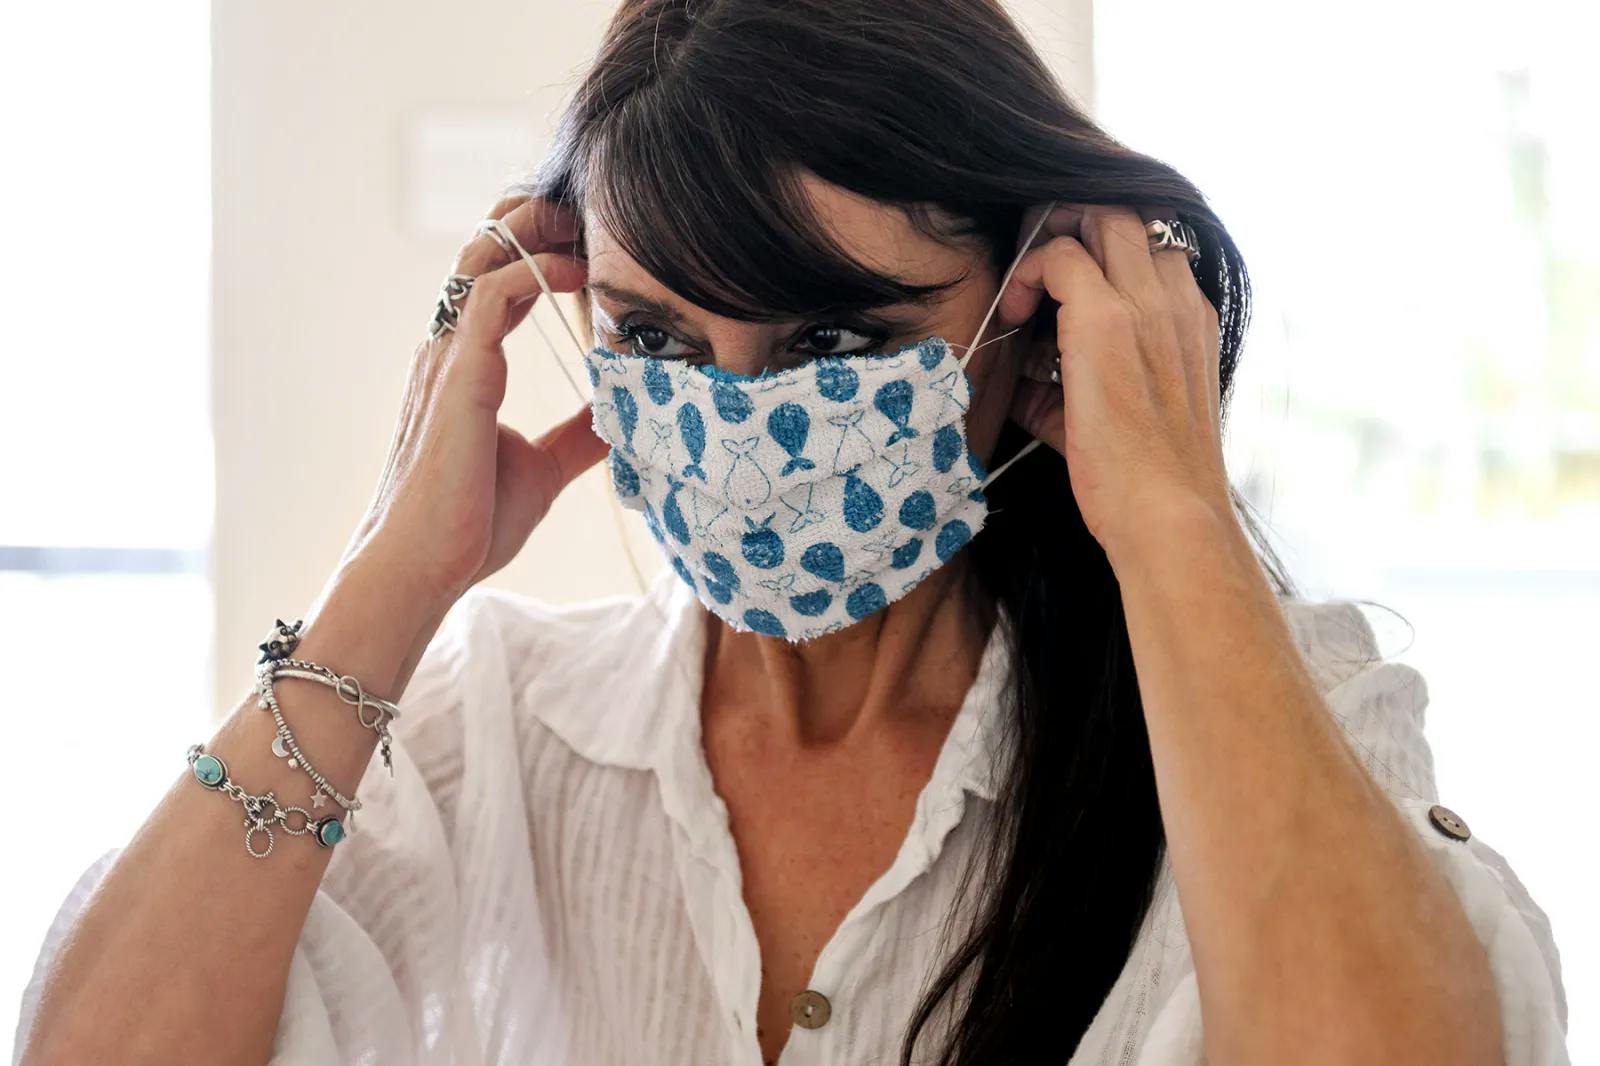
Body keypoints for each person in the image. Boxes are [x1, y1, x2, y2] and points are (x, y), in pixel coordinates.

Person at [13, 1, 1570, 1064]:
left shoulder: (1272, 722)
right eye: (662, 342)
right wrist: (388, 579)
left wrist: (1167, 513)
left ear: (1033, 317)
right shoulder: (484, 731)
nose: (740, 428)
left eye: (836, 346)